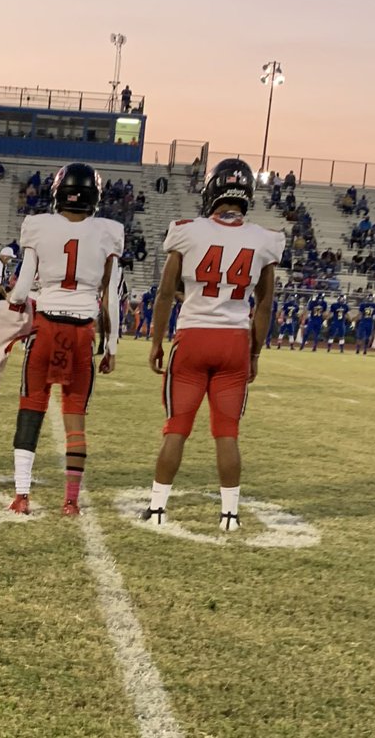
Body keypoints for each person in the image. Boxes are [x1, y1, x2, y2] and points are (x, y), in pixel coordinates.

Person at [140, 159, 283, 532]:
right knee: (227, 432)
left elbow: (166, 293)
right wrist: (254, 352)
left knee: (176, 427)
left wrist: (156, 341)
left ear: (212, 191)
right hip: (234, 339)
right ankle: (230, 516)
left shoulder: (187, 231)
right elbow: (264, 303)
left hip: (193, 337)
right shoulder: (263, 239)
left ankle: (157, 509)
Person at [5, 163, 123, 517]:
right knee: (75, 416)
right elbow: (112, 297)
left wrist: (10, 310)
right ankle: (71, 501)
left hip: (45, 325)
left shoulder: (39, 226)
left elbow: (24, 288)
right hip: (82, 330)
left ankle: (22, 495)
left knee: (31, 409)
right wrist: (111, 346)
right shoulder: (108, 232)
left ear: (58, 192)